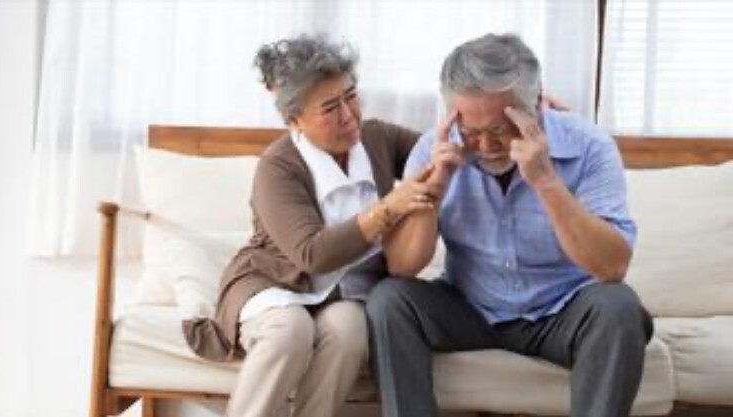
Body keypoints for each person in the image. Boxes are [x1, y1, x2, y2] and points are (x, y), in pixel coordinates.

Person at [367, 33, 654, 417]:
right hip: (470, 308)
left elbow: (612, 267)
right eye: (471, 132)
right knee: (390, 299)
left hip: (562, 311)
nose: (486, 147)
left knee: (619, 307)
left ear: (535, 105)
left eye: (501, 130)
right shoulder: (433, 151)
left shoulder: (590, 146)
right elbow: (403, 266)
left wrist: (546, 181)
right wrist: (435, 187)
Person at [181, 34, 438, 417]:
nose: (348, 115)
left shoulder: (377, 138)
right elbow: (312, 254)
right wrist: (387, 208)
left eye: (351, 96)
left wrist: (480, 125)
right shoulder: (278, 166)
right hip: (273, 283)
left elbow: (435, 149)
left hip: (342, 295)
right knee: (290, 331)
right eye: (330, 107)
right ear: (294, 120)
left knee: (350, 329)